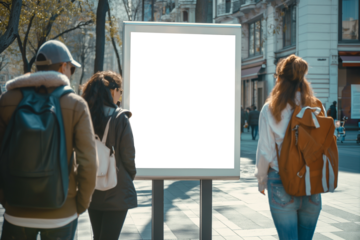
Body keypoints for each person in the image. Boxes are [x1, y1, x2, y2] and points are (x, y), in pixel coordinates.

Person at [0, 40, 97, 239]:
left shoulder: (8, 100)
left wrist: (5, 199)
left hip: (16, 210)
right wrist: (79, 204)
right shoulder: (76, 104)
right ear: (63, 67)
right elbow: (88, 162)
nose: (71, 73)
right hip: (61, 211)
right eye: (71, 68)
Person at [255, 54, 323, 239]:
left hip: (280, 181)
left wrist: (261, 179)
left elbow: (265, 151)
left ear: (280, 78)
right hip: (311, 182)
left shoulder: (271, 109)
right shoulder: (315, 106)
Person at [81, 71, 137, 240]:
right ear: (112, 91)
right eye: (119, 90)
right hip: (116, 190)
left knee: (97, 236)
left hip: (92, 189)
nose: (120, 95)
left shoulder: (85, 116)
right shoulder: (120, 118)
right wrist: (128, 177)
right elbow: (129, 158)